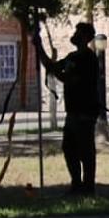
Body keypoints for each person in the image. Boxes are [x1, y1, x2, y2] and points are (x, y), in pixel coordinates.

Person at [33, 22, 99, 196]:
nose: (74, 34)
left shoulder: (89, 58)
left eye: (78, 32)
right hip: (73, 112)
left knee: (86, 151)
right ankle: (76, 184)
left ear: (85, 37)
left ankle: (88, 188)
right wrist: (39, 47)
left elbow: (71, 80)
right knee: (69, 148)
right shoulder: (72, 56)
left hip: (85, 112)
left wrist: (58, 74)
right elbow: (53, 67)